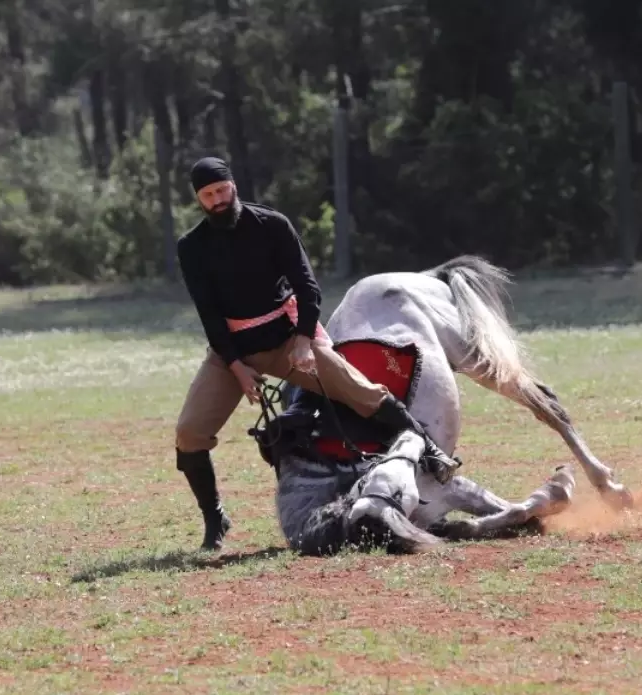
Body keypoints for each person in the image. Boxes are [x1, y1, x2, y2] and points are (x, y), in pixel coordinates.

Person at [173, 157, 460, 551]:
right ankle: (214, 518)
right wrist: (236, 366)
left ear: (233, 185)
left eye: (222, 190)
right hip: (232, 351)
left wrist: (305, 339)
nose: (218, 200)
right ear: (198, 200)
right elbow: (209, 313)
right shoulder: (192, 247)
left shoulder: (272, 225)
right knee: (190, 433)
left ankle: (431, 453)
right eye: (209, 195)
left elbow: (307, 286)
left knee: (364, 393)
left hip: (289, 341)